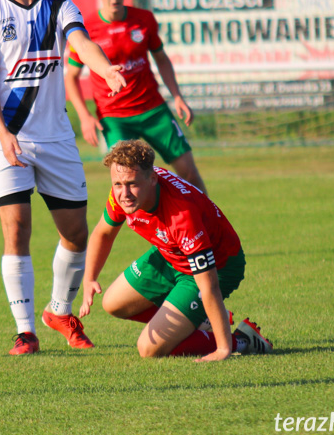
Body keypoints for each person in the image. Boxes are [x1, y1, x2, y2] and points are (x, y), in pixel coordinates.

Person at [0, 0, 127, 355]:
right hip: (8, 138)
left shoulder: (61, 8)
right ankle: (25, 331)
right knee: (16, 228)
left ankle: (59, 311)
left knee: (76, 234)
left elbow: (82, 43)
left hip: (57, 139)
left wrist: (106, 69)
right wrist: (2, 134)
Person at [79, 139, 272, 360]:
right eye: (117, 184)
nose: (124, 193)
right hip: (170, 253)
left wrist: (223, 349)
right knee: (113, 303)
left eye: (132, 184)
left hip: (219, 265)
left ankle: (242, 340)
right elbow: (103, 232)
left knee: (148, 349)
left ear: (152, 179)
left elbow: (209, 285)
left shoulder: (181, 215)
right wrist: (90, 278)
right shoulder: (125, 190)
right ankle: (200, 318)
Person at [65, 0, 206, 193]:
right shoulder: (86, 29)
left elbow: (161, 58)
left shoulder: (144, 19)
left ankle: (209, 224)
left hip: (153, 109)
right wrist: (84, 116)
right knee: (127, 183)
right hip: (115, 117)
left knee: (189, 172)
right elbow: (71, 77)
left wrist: (178, 96)